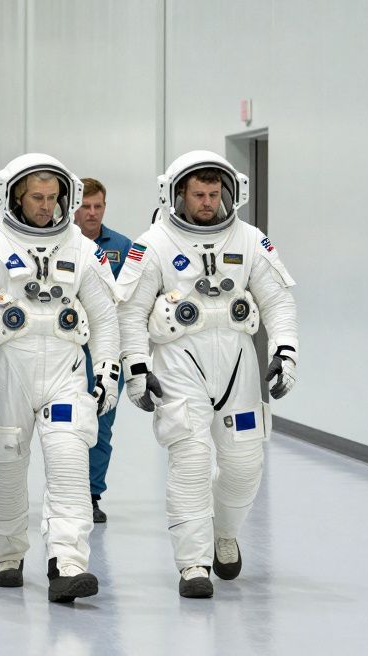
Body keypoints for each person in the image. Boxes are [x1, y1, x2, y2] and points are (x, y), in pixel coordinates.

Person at [115, 150, 298, 599]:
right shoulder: (154, 243)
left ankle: (225, 534)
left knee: (245, 465)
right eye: (199, 194)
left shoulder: (250, 239)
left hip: (237, 365)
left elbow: (278, 300)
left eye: (214, 194)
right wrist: (136, 368)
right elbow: (130, 311)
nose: (208, 203)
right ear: (178, 194)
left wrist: (285, 351)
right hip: (179, 364)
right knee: (192, 463)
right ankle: (193, 564)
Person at [0, 154, 119, 603]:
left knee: (70, 463)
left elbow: (104, 316)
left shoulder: (80, 247)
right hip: (7, 372)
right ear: (16, 198)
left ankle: (67, 563)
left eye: (52, 198)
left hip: (65, 371)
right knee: (5, 467)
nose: (46, 206)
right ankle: (8, 554)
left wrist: (107, 369)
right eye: (37, 198)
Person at [73, 178, 133, 523]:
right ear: (74, 208)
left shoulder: (122, 247)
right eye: (86, 206)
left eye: (98, 206)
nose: (92, 213)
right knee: (66, 424)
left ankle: (92, 494)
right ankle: (67, 490)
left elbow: (131, 300)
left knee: (101, 423)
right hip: (67, 346)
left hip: (107, 349)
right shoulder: (61, 244)